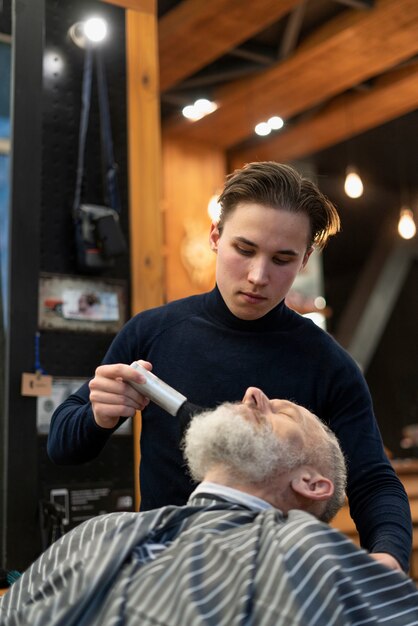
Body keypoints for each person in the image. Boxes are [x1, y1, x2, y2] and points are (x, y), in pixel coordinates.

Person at [47, 161, 412, 572]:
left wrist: (389, 555)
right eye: (245, 249)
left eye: (282, 259)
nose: (258, 276)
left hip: (276, 578)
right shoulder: (152, 333)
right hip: (164, 570)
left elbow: (373, 481)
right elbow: (63, 445)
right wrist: (98, 415)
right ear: (216, 237)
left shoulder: (330, 366)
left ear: (306, 259)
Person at [3, 390, 418, 626]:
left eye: (283, 412)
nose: (254, 395)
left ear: (310, 484)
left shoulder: (306, 549)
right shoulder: (102, 529)